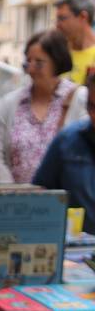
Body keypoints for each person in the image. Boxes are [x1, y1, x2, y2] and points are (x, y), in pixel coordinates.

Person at [0, 30, 87, 184]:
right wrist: (11, 193)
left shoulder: (80, 98)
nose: (31, 69)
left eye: (39, 63)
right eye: (28, 62)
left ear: (57, 62)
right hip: (15, 202)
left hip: (65, 202)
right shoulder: (10, 103)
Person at [33, 75, 95, 231]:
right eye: (91, 106)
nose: (93, 115)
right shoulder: (68, 140)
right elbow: (40, 193)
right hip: (76, 249)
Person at [55, 0, 95, 84]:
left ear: (83, 17)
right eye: (57, 19)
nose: (57, 25)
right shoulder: (56, 53)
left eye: (62, 18)